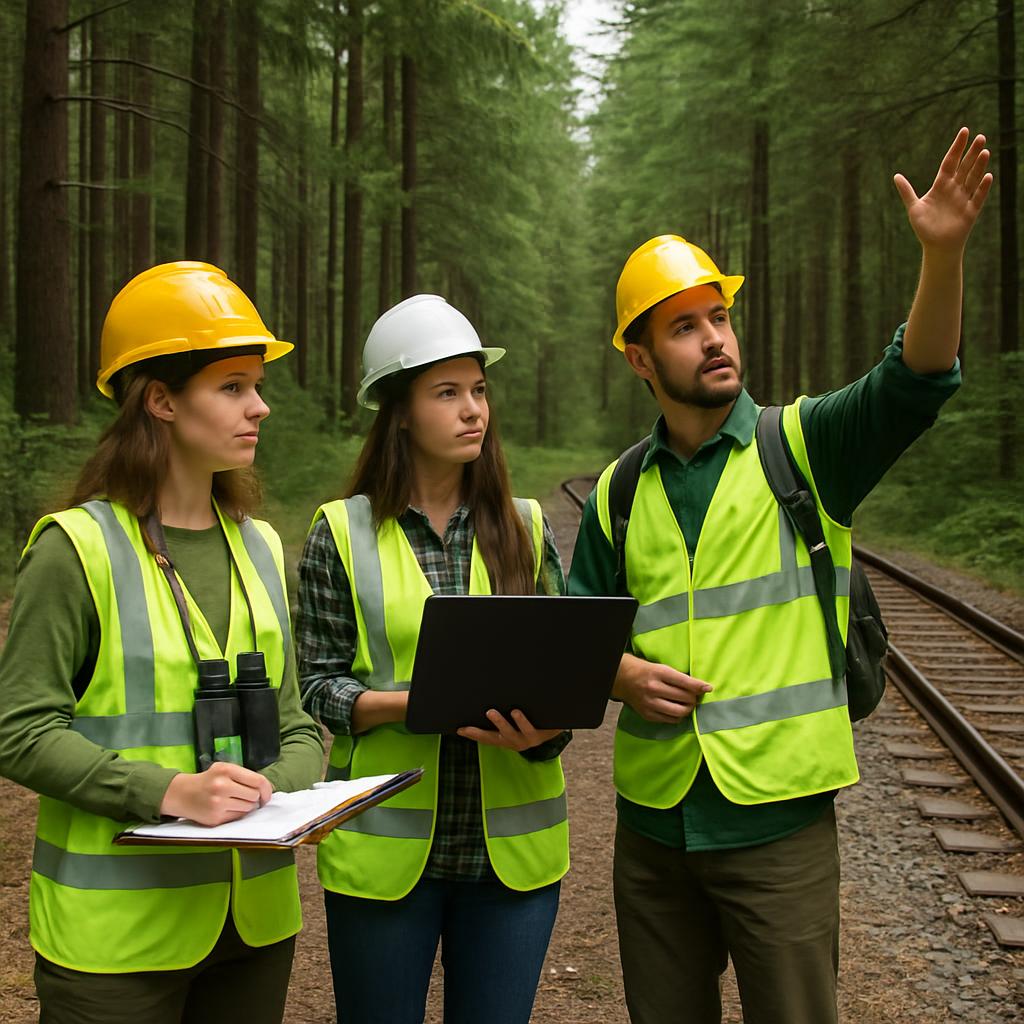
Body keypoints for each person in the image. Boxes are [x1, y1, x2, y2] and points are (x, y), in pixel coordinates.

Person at [568, 128, 992, 1024]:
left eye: (718, 316)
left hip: (780, 827)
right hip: (652, 830)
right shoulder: (617, 491)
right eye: (684, 327)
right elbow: (578, 638)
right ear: (641, 359)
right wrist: (618, 672)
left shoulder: (805, 446)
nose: (715, 339)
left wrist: (942, 254)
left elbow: (914, 380)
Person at [0, 262, 324, 1024]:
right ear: (160, 400)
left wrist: (281, 786)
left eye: (257, 384)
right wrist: (171, 792)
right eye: (234, 386)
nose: (261, 407)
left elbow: (299, 720)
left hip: (254, 928)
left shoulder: (263, 547)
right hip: (115, 945)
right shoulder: (73, 550)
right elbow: (19, 730)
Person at [296, 293, 570, 1024]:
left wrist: (545, 733)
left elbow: (565, 683)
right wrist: (413, 705)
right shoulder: (340, 533)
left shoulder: (526, 526)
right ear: (400, 412)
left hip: (510, 866)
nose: (473, 409)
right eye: (446, 393)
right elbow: (317, 685)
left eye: (478, 390)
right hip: (385, 864)